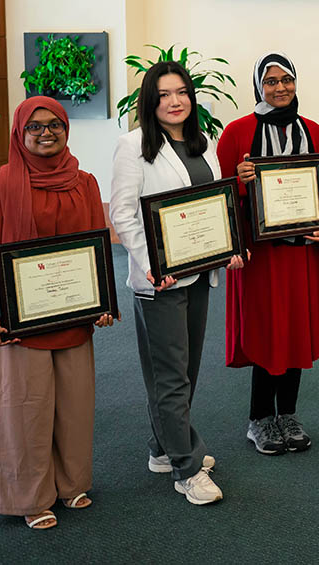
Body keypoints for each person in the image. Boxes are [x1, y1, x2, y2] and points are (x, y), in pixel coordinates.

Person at [110, 61, 244, 505]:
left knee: (183, 371)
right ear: (151, 100)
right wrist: (152, 263)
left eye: (182, 92)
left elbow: (215, 207)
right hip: (160, 280)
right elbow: (123, 215)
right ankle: (186, 469)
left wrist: (231, 247)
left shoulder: (203, 145)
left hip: (200, 272)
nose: (174, 101)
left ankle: (162, 447)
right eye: (164, 94)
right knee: (170, 376)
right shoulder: (134, 147)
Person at [0, 96, 116, 530]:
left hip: (75, 316)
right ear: (20, 134)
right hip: (22, 320)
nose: (45, 133)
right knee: (27, 408)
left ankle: (70, 482)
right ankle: (29, 496)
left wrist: (104, 302)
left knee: (74, 405)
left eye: (54, 125)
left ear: (65, 128)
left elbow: (97, 244)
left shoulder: (85, 182)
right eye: (34, 127)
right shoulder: (2, 185)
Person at [218, 52, 319, 453]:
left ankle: (287, 415)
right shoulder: (237, 132)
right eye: (271, 82)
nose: (280, 88)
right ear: (258, 86)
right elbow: (219, 195)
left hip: (300, 251)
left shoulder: (313, 130)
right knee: (265, 327)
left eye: (286, 80)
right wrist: (239, 181)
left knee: (295, 327)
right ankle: (259, 419)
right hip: (258, 255)